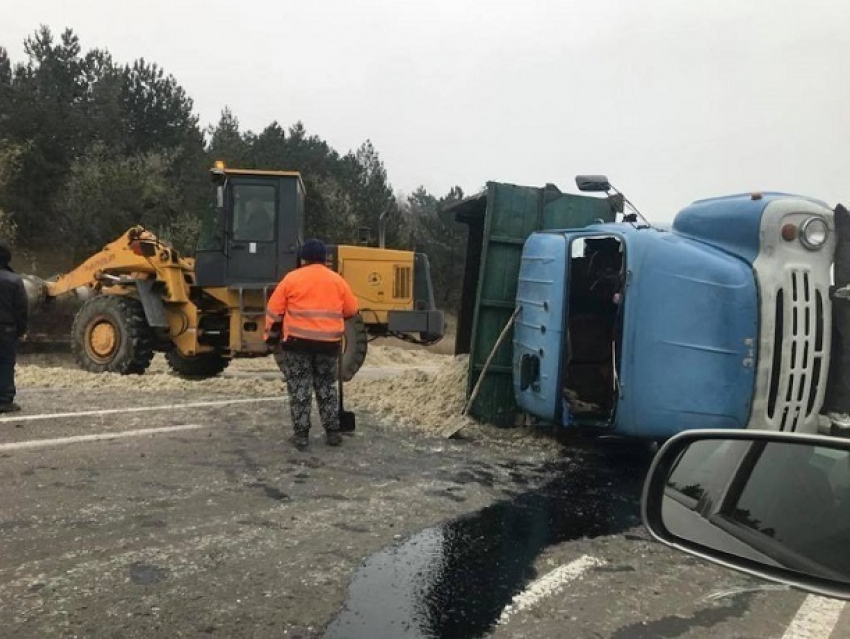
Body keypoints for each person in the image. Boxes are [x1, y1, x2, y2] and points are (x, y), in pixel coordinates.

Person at [264, 239, 358, 449]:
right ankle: (333, 432)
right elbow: (351, 309)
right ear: (325, 259)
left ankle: (301, 435)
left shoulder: (291, 279)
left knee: (300, 387)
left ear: (303, 258)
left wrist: (269, 338)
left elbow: (274, 311)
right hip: (328, 345)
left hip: (297, 344)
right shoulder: (337, 281)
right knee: (326, 385)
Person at [0, 244, 27, 412]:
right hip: (6, 329)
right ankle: (4, 400)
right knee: (5, 363)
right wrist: (22, 330)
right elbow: (21, 308)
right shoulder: (14, 280)